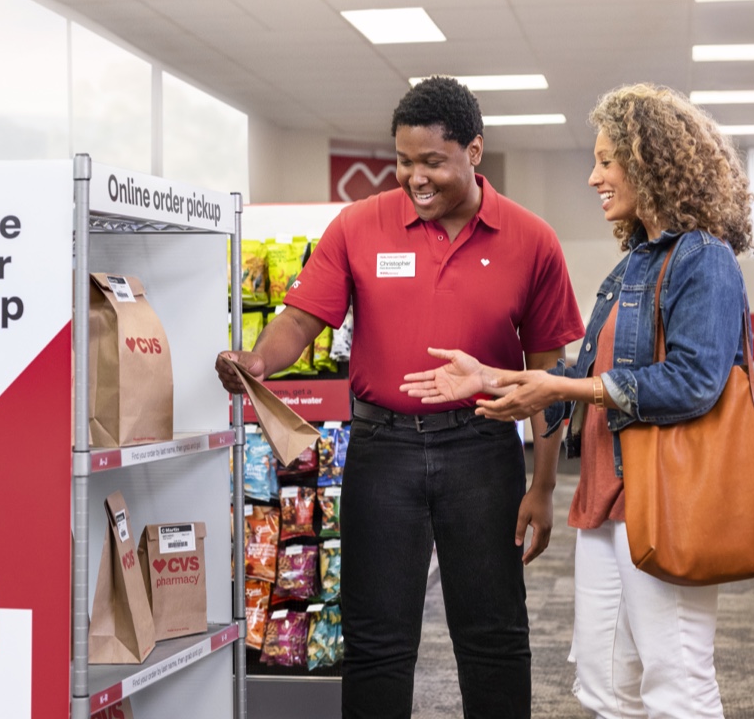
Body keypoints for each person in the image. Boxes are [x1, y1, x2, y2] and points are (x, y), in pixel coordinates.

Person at [215, 76, 585, 719]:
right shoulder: (360, 224)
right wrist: (258, 361)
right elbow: (302, 317)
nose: (415, 178)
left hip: (483, 448)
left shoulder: (532, 240)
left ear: (474, 151)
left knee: (493, 636)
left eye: (432, 162)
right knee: (377, 641)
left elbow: (545, 377)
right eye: (404, 162)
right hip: (382, 452)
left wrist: (543, 485)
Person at [401, 83, 754, 719]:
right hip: (605, 499)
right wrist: (495, 379)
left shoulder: (706, 260)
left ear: (650, 163)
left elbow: (696, 382)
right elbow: (585, 375)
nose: (593, 177)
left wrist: (563, 386)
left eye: (607, 161)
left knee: (676, 682)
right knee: (604, 685)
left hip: (663, 499)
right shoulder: (632, 267)